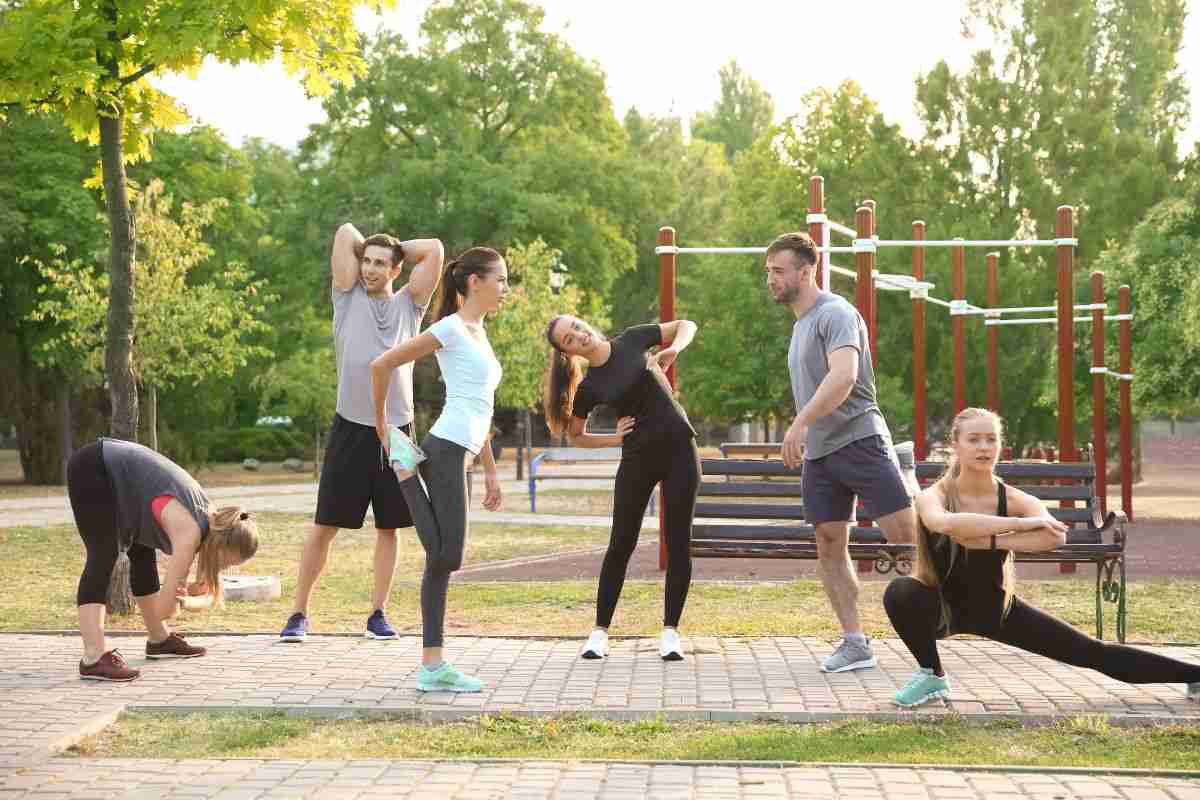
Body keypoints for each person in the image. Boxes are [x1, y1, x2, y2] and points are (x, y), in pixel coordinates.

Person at [885, 407, 1200, 707]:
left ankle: (1194, 676)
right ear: (955, 445)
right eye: (974, 439)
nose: (984, 447)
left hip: (996, 610)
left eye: (991, 439)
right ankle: (932, 674)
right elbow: (946, 523)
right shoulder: (935, 495)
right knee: (901, 592)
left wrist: (988, 541)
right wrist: (1021, 524)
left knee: (1093, 652)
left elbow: (1054, 535)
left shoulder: (1013, 497)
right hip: (941, 608)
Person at [279, 225, 443, 643]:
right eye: (365, 260)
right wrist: (376, 246)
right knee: (324, 525)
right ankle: (298, 614)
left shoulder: (411, 305)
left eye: (379, 263)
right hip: (350, 428)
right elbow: (343, 232)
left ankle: (377, 614)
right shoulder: (345, 296)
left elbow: (436, 250)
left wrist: (395, 250)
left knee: (389, 527)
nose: (369, 269)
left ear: (395, 270)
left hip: (398, 431)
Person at [765, 232, 916, 673]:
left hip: (860, 440)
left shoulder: (836, 313)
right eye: (769, 272)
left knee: (907, 540)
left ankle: (945, 615)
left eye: (778, 271)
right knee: (829, 543)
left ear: (806, 271)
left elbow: (844, 377)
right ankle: (855, 642)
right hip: (821, 454)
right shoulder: (800, 325)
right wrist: (809, 432)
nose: (771, 280)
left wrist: (800, 423)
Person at [371, 246, 507, 693]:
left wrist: (488, 469)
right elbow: (384, 363)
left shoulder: (480, 333)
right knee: (448, 557)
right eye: (500, 279)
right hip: (446, 448)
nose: (505, 288)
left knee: (442, 561)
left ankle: (432, 666)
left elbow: (480, 408)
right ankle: (405, 471)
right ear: (474, 283)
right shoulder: (449, 327)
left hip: (462, 452)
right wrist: (382, 428)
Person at [543, 315, 700, 661]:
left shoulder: (631, 338)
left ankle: (671, 632)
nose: (579, 336)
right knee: (620, 544)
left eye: (577, 326)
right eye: (569, 339)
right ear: (568, 353)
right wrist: (614, 438)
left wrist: (673, 349)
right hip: (638, 460)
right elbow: (576, 434)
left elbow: (686, 324)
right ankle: (599, 633)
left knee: (678, 543)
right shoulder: (590, 387)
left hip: (680, 451)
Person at [67, 438, 259, 682]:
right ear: (222, 545)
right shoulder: (190, 533)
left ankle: (159, 640)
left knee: (142, 552)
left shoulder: (214, 522)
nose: (222, 568)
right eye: (225, 562)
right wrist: (180, 600)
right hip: (95, 468)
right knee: (103, 555)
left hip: (125, 485)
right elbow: (163, 609)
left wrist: (184, 597)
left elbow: (209, 593)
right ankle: (93, 657)